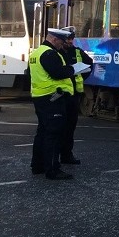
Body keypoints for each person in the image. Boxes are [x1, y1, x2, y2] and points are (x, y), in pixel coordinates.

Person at [29, 28, 89, 180]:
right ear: (54, 39)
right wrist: (71, 69)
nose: (62, 45)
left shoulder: (36, 53)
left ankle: (37, 166)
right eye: (61, 41)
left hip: (40, 97)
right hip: (53, 98)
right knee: (53, 135)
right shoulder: (49, 54)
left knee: (42, 133)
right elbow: (58, 73)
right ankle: (52, 169)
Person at [58, 26, 93, 166]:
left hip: (74, 96)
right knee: (58, 127)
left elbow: (89, 63)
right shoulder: (55, 52)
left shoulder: (77, 52)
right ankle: (55, 156)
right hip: (60, 95)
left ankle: (67, 155)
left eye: (72, 39)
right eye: (68, 39)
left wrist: (82, 76)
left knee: (70, 127)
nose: (70, 41)